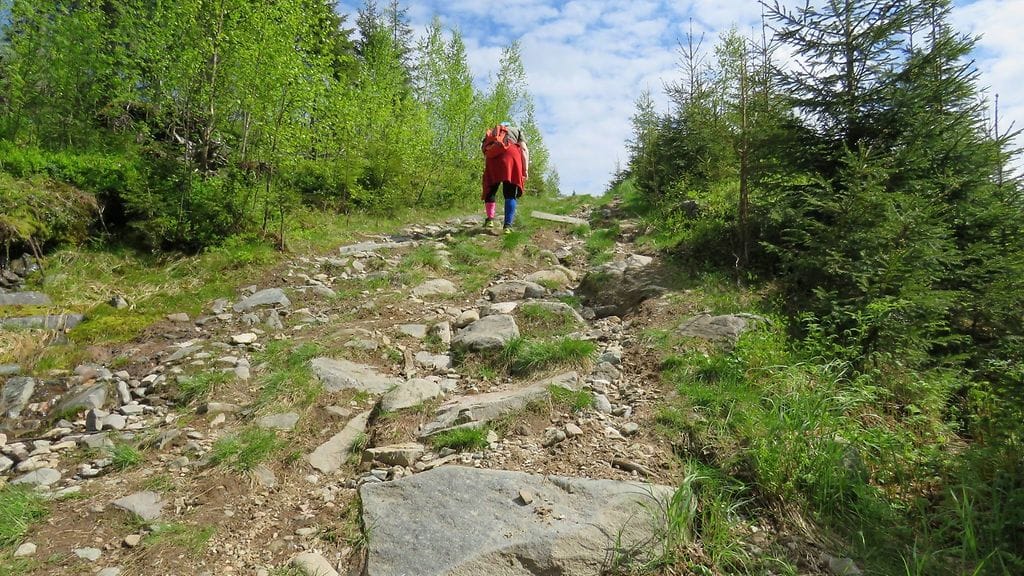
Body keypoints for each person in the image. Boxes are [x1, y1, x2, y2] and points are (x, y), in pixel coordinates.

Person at [481, 122, 529, 233]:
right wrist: (525, 169)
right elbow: (524, 150)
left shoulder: (493, 132)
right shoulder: (517, 130)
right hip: (511, 156)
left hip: (493, 159)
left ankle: (490, 220)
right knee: (510, 192)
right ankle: (507, 226)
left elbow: (485, 149)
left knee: (491, 188)